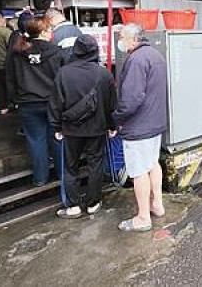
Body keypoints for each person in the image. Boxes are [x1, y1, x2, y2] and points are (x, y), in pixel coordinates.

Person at [51, 35, 117, 219]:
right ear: (95, 50)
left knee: (70, 166)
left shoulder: (63, 73)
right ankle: (93, 203)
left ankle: (72, 206)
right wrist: (112, 126)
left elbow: (56, 103)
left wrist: (57, 127)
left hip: (71, 129)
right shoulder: (104, 74)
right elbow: (112, 104)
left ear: (76, 50)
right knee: (95, 164)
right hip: (97, 129)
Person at [113, 24, 168, 232]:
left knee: (138, 171)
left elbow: (131, 99)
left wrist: (117, 118)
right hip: (155, 123)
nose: (120, 41)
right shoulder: (155, 55)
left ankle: (143, 217)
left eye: (122, 37)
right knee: (152, 163)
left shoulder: (136, 60)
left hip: (138, 126)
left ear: (134, 40)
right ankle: (157, 205)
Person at [6, 18, 66, 186]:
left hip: (27, 103)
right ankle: (62, 175)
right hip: (52, 103)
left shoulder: (17, 51)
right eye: (49, 29)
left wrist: (13, 100)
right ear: (44, 32)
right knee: (57, 138)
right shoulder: (56, 51)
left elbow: (10, 78)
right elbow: (63, 79)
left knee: (35, 140)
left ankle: (40, 178)